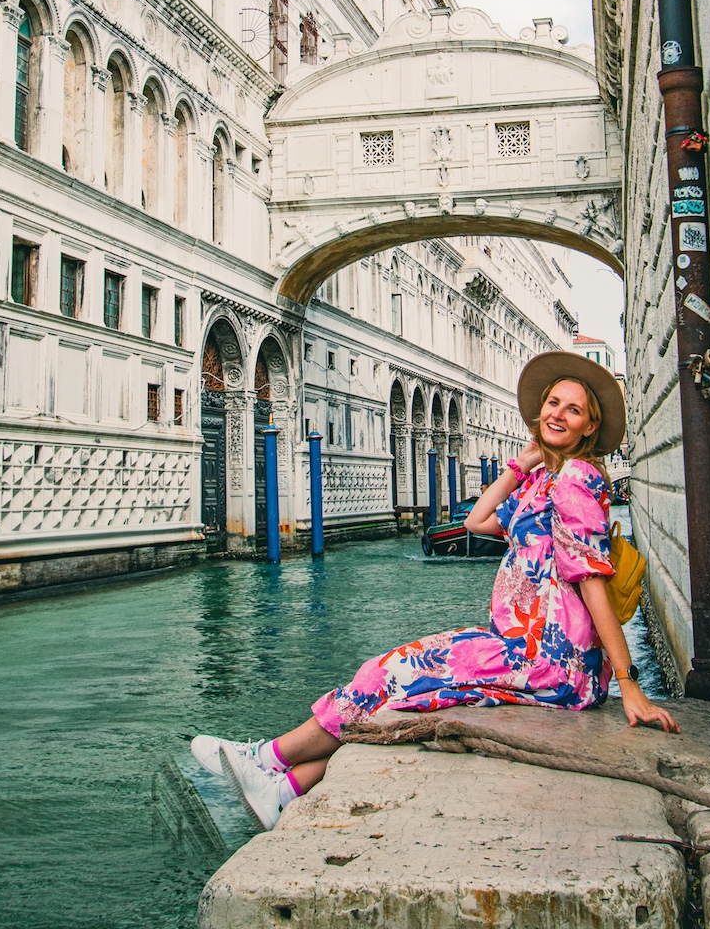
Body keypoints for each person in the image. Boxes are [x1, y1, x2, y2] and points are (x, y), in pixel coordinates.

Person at [191, 351, 679, 830]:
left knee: (390, 671)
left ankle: (266, 758)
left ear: (588, 428)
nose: (558, 414)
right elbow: (477, 520)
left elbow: (591, 579)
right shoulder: (541, 481)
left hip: (548, 661)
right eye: (553, 403)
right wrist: (521, 464)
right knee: (396, 696)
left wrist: (627, 682)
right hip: (520, 646)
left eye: (573, 410)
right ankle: (282, 790)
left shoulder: (575, 481)